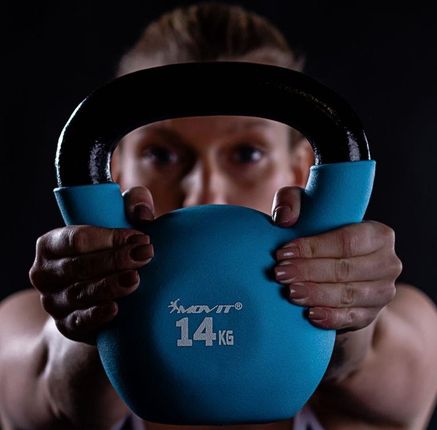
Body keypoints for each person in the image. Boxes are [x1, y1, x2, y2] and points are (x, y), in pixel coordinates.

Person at [1, 2, 436, 430]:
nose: (204, 190)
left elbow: (389, 368)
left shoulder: (410, 326)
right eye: (160, 155)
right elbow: (52, 391)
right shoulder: (17, 325)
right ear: (112, 171)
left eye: (246, 154)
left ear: (305, 170)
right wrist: (97, 314)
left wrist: (342, 319)